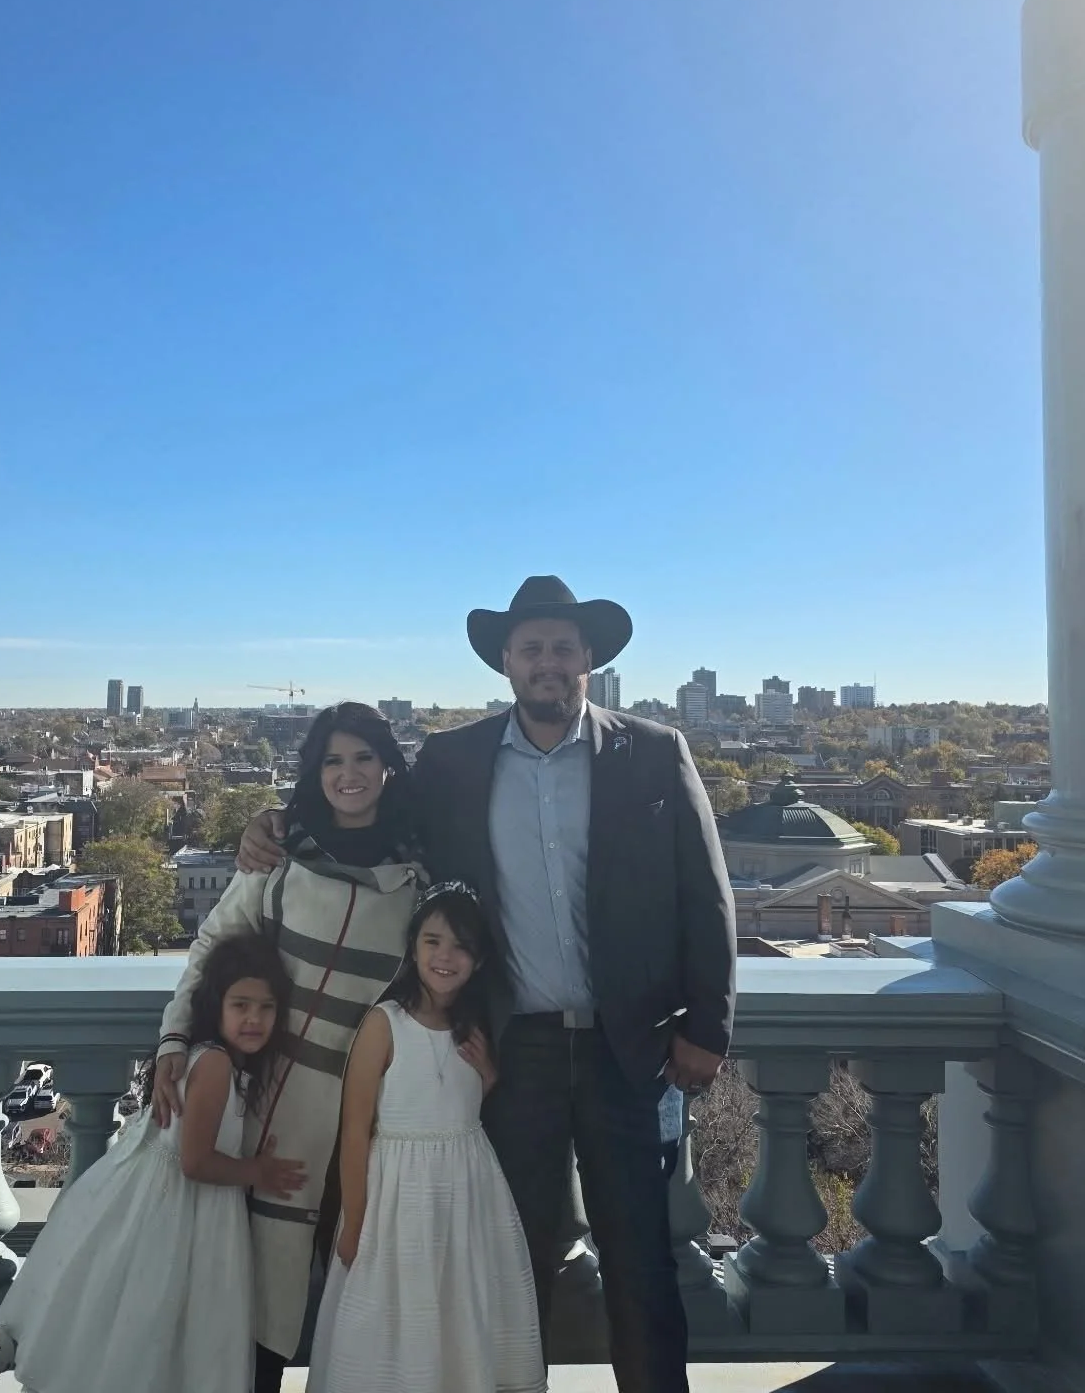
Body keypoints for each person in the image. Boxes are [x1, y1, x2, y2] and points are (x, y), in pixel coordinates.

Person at [241, 576, 738, 1393]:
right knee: (510, 1263)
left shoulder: (653, 751)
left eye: (563, 648)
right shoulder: (453, 761)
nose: (548, 662)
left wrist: (707, 1028)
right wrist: (270, 829)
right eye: (531, 648)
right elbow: (360, 811)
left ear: (589, 659)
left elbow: (706, 895)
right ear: (506, 662)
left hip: (634, 1054)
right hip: (511, 1053)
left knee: (643, 1267)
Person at [153, 701, 425, 1393]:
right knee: (245, 1309)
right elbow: (213, 945)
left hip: (369, 1123)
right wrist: (175, 1037)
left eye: (364, 757)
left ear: (390, 767)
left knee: (357, 1307)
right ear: (314, 773)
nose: (349, 774)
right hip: (259, 1108)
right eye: (332, 760)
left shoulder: (419, 877)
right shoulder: (278, 858)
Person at [0, 934, 305, 1393]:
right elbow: (196, 1162)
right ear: (217, 1006)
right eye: (242, 1005)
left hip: (137, 1190)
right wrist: (258, 1171)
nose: (254, 1018)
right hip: (179, 1206)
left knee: (97, 1303)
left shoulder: (199, 1056)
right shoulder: (215, 1067)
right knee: (150, 1322)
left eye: (266, 1007)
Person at [309, 880, 544, 1393]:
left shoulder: (475, 1029)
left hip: (467, 1195)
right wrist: (352, 1224)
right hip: (395, 1197)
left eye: (461, 947)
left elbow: (461, 1106)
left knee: (460, 1308)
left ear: (479, 962)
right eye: (433, 941)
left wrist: (489, 1079)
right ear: (413, 946)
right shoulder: (383, 1024)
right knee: (397, 1316)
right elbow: (355, 1131)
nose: (445, 956)